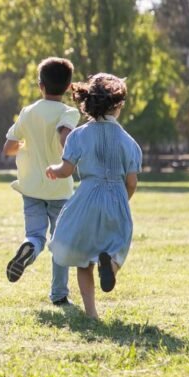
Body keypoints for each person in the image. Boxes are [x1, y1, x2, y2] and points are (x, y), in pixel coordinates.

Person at [46, 73, 142, 319]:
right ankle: (110, 265)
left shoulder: (78, 135)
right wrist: (122, 199)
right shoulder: (129, 142)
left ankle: (92, 314)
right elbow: (131, 182)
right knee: (118, 246)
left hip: (86, 197)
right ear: (118, 105)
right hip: (116, 198)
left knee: (83, 259)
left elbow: (66, 170)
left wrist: (53, 170)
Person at [3, 57, 80, 306]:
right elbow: (64, 135)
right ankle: (59, 294)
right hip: (59, 187)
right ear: (69, 87)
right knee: (60, 242)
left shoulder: (28, 111)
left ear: (40, 85)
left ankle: (28, 248)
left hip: (31, 187)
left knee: (35, 235)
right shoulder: (69, 112)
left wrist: (28, 146)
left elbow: (9, 148)